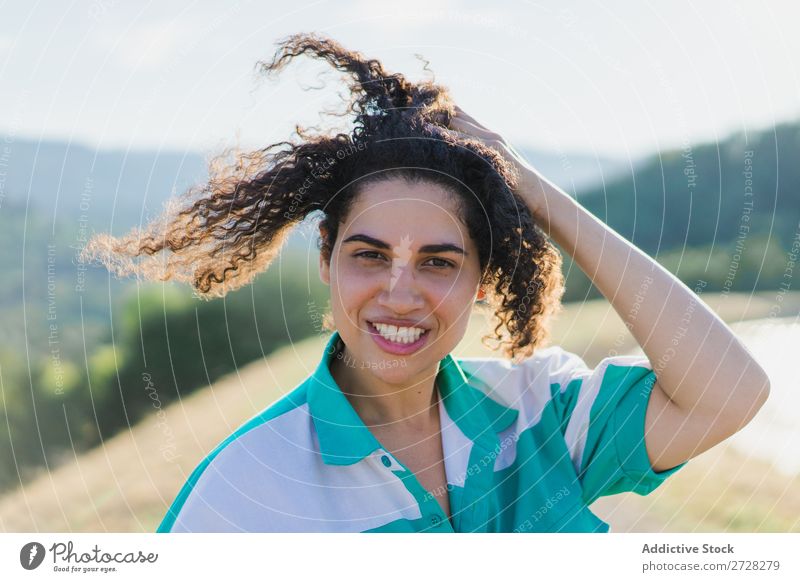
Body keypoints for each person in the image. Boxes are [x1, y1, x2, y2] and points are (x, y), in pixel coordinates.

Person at [82, 33, 770, 533]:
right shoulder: (243, 493)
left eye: (439, 262)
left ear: (481, 277)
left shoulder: (540, 412)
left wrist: (532, 188)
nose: (400, 293)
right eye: (370, 255)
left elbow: (730, 393)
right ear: (326, 259)